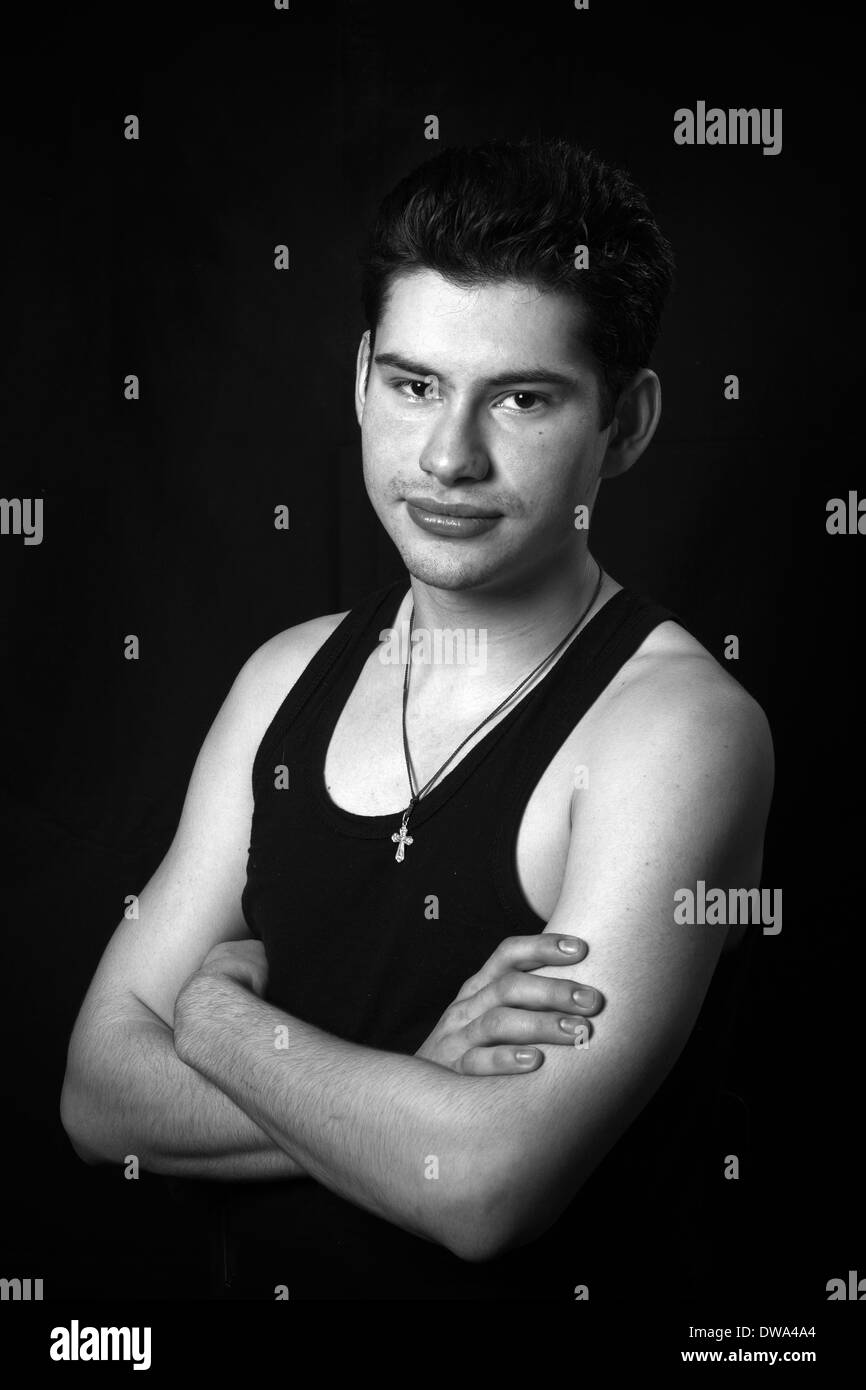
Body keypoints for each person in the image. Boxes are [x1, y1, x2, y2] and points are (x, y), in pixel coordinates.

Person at [60, 138, 774, 1301]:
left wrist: (213, 1020)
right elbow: (96, 1095)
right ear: (358, 379)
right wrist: (405, 1082)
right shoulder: (283, 678)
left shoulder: (675, 730)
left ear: (627, 425)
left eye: (523, 398)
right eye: (413, 384)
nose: (448, 456)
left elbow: (484, 1187)